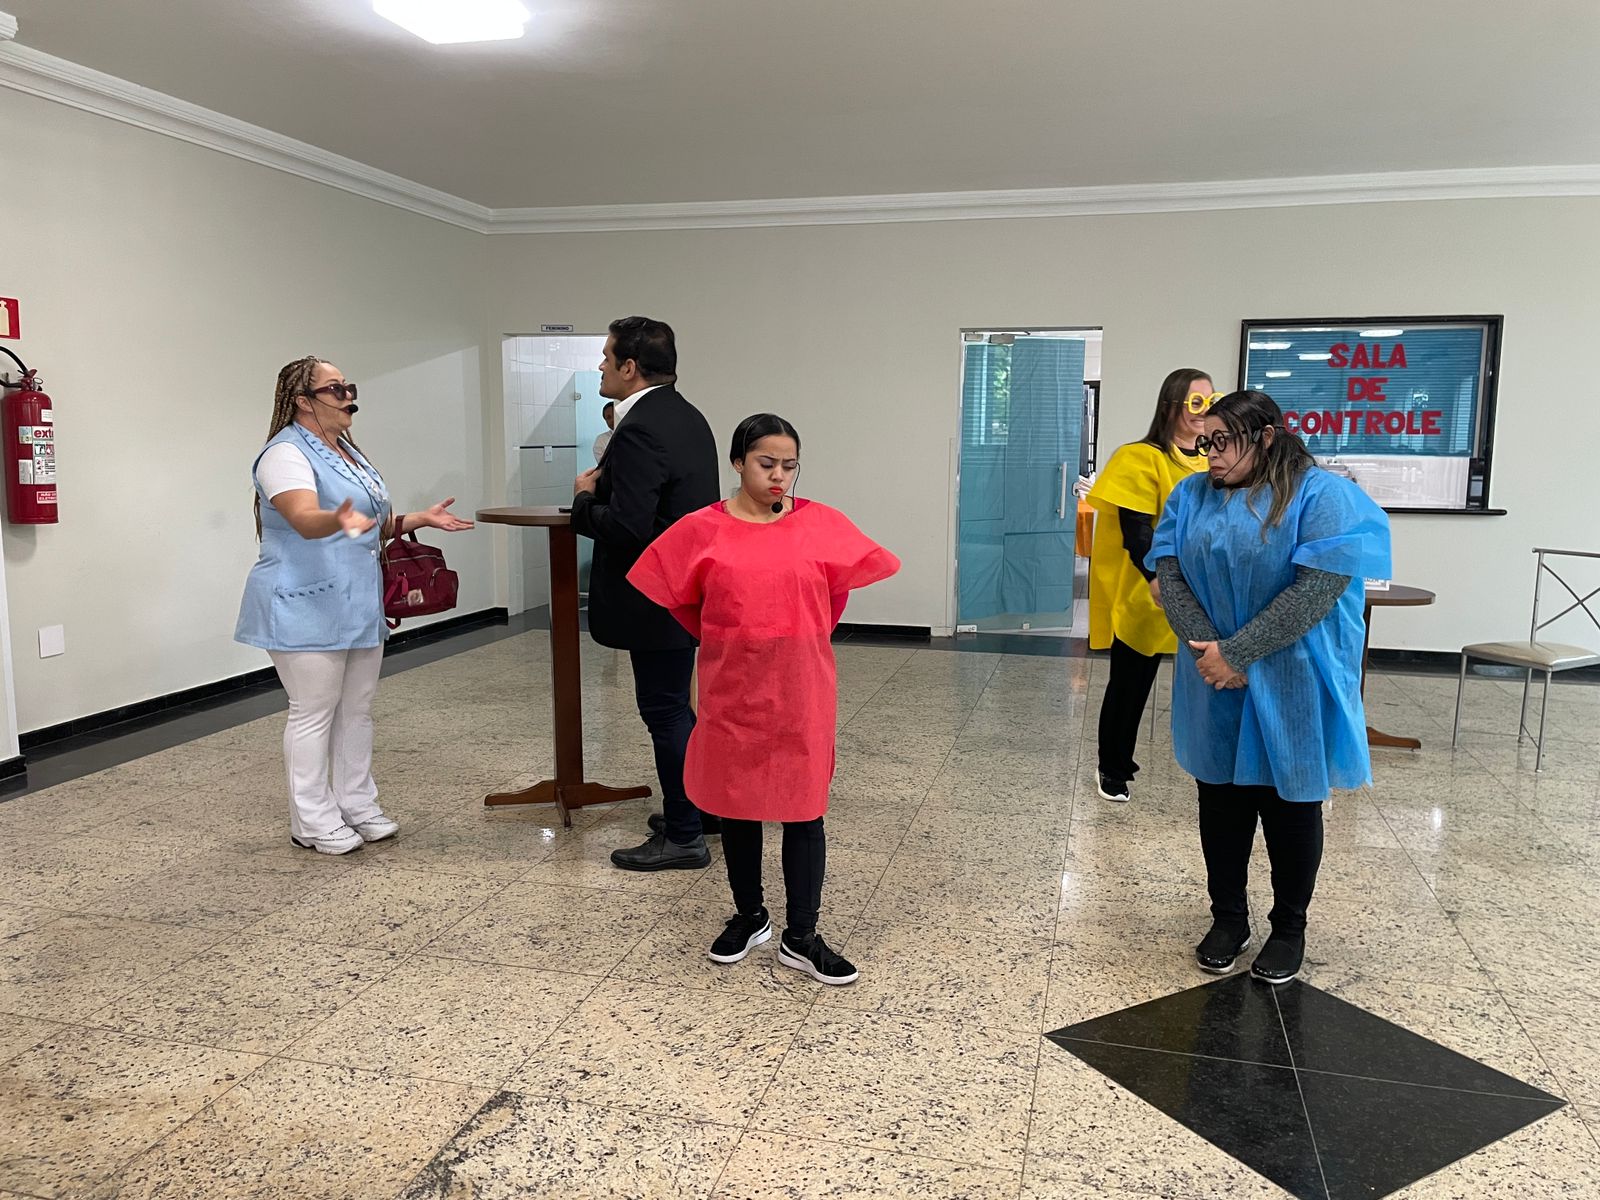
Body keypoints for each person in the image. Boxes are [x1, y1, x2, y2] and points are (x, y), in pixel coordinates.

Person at [627, 414, 899, 983]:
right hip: (734, 687)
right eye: (766, 464)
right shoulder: (703, 529)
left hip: (801, 687)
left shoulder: (819, 523)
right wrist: (735, 640)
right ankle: (749, 915)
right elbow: (681, 601)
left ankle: (802, 935)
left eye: (789, 466)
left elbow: (834, 597)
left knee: (803, 806)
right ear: (738, 463)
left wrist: (793, 638)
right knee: (737, 801)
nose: (779, 476)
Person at [1149, 390, 1390, 984]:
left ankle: (1289, 929)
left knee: (1291, 805)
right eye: (1203, 442)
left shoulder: (1321, 496)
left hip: (1293, 674)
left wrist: (1237, 654)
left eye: (1222, 441)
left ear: (1265, 436)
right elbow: (1170, 576)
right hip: (1212, 673)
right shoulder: (1190, 496)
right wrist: (1211, 652)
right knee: (1220, 801)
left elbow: (1317, 590)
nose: (1209, 454)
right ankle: (1228, 918)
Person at [236, 357, 474, 854]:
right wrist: (339, 519)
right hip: (303, 602)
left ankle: (357, 805)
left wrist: (418, 519)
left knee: (357, 711)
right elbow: (305, 517)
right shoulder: (284, 454)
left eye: (349, 387)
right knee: (313, 711)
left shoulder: (345, 452)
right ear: (303, 401)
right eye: (336, 389)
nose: (349, 397)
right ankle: (312, 821)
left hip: (357, 601)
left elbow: (368, 524)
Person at [571, 316, 721, 871]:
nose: (601, 367)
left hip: (654, 595)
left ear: (630, 367)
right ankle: (701, 811)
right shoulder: (688, 416)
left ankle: (684, 836)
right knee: (678, 707)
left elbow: (629, 526)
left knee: (665, 712)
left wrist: (583, 501)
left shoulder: (638, 427)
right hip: (684, 590)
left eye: (607, 357)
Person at [1085, 368, 1213, 803]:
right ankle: (1112, 766)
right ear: (1170, 405)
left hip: (1206, 595)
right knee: (1130, 685)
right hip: (1150, 592)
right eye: (1195, 402)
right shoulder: (1139, 457)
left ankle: (1213, 768)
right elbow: (1137, 533)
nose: (1203, 412)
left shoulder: (1214, 460)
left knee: (1213, 683)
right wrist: (1160, 581)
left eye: (1210, 402)